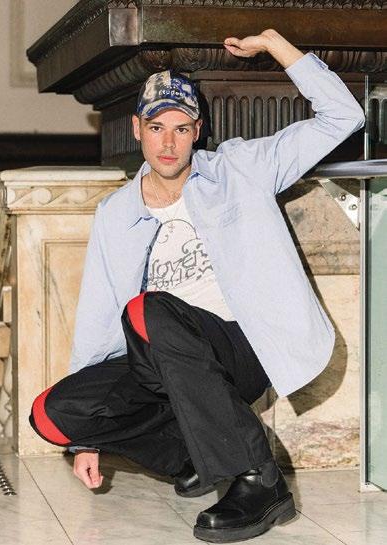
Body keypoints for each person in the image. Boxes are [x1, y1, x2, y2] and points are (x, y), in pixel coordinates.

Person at [29, 28, 365, 543]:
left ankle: (259, 478)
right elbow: (97, 318)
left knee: (148, 310)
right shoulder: (116, 213)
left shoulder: (240, 169)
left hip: (240, 348)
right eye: (157, 127)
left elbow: (343, 117)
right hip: (162, 358)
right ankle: (191, 455)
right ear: (137, 129)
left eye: (181, 128)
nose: (168, 143)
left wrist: (275, 45)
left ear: (197, 131)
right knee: (53, 416)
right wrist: (86, 438)